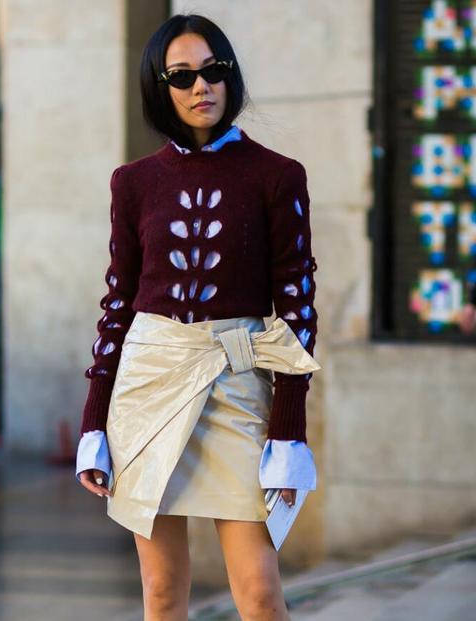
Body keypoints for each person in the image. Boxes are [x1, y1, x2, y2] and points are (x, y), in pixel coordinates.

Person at [75, 13, 320, 620]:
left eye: (213, 71)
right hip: (148, 386)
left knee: (259, 592)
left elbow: (297, 308)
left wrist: (288, 429)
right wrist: (94, 423)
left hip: (237, 385)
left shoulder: (278, 176)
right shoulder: (132, 183)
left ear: (230, 75)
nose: (200, 87)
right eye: (181, 76)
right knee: (161, 592)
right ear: (160, 88)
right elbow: (118, 302)